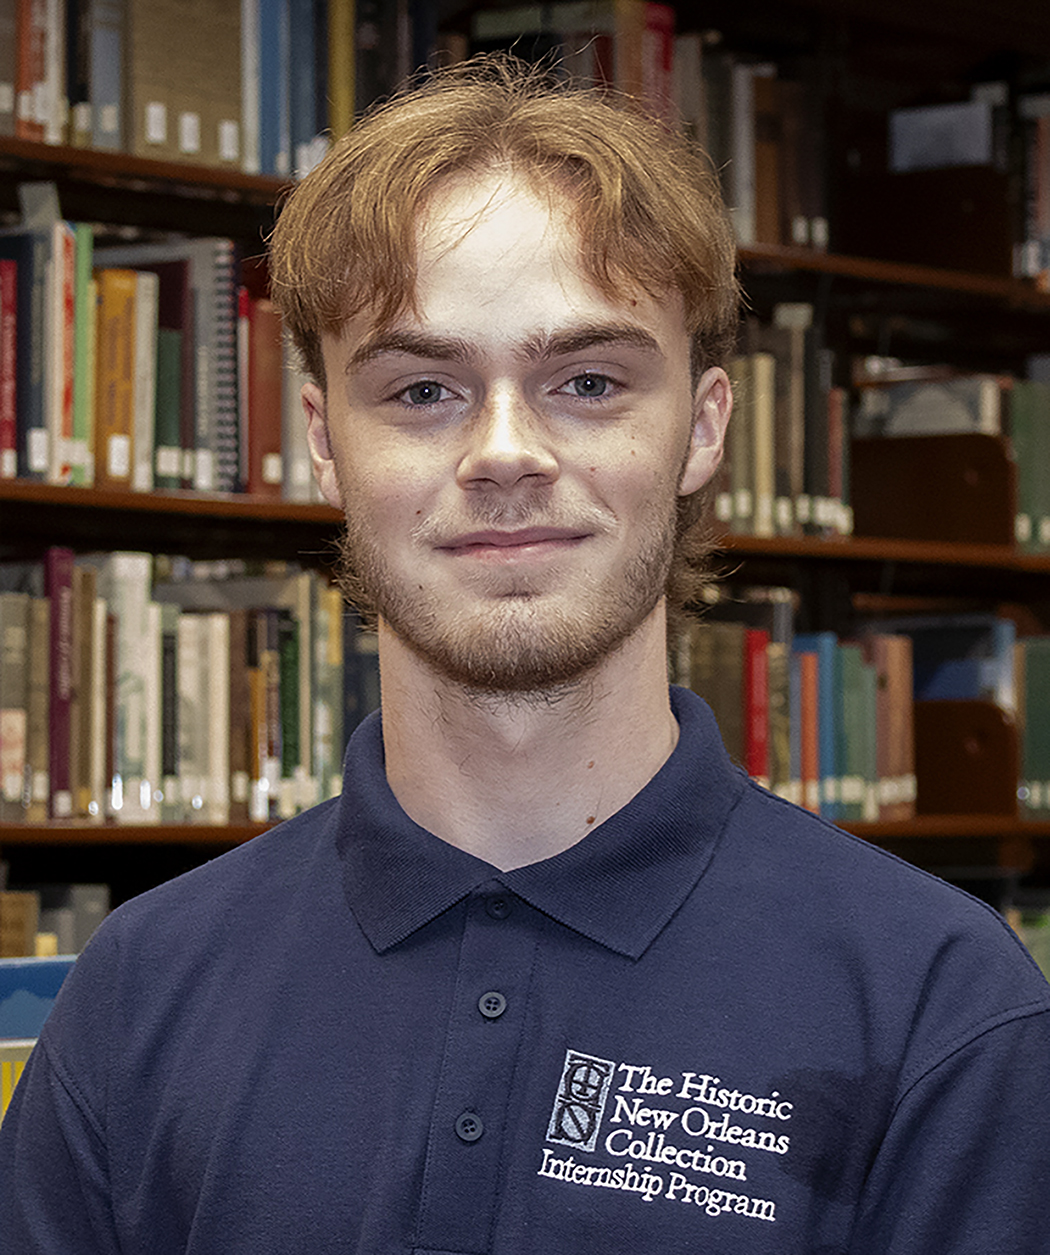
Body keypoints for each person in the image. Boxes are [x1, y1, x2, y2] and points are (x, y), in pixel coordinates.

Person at [2, 56, 1050, 1255]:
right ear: (321, 441)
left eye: (589, 381)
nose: (506, 452)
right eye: (424, 388)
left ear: (703, 428)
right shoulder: (139, 990)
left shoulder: (940, 1005)